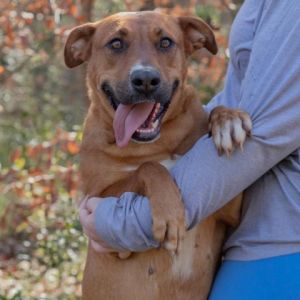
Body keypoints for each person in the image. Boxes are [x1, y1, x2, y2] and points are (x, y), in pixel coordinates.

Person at [79, 0, 300, 298]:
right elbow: (246, 83)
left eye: (165, 44)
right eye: (117, 45)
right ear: (83, 54)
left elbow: (233, 204)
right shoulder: (97, 144)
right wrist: (150, 176)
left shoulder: (200, 129)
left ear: (191, 46)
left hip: (278, 246)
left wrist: (222, 116)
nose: (144, 71)